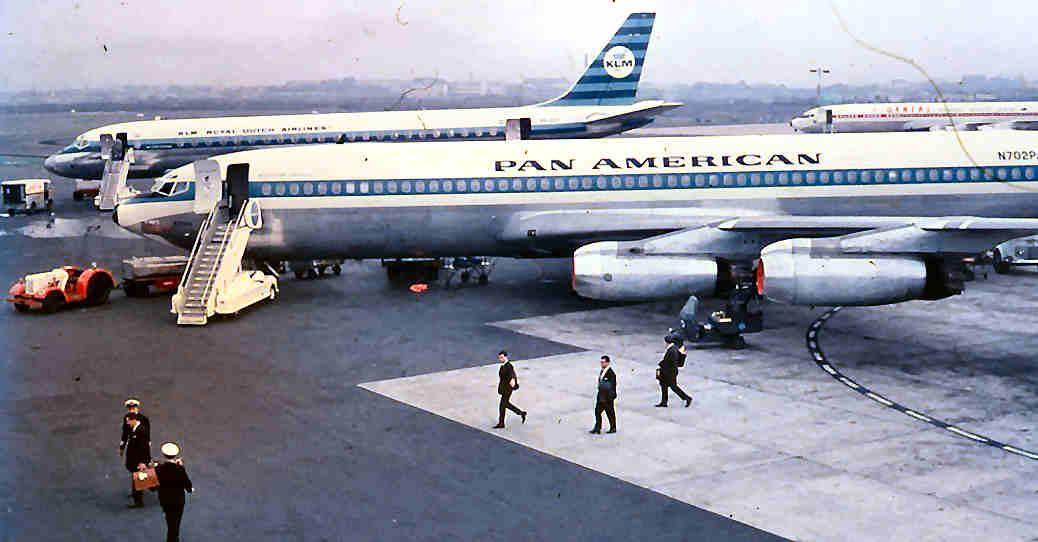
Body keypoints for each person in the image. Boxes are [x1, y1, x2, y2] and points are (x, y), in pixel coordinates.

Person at [155, 442, 193, 542]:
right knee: (176, 522)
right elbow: (188, 485)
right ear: (175, 455)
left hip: (165, 500)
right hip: (178, 501)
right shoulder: (180, 470)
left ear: (164, 455)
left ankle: (173, 536)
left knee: (170, 519)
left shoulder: (159, 468)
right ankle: (173, 538)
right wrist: (182, 467)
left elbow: (154, 483)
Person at [123, 412, 151, 507]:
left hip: (138, 461)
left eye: (128, 421)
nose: (127, 423)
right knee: (137, 478)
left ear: (133, 420)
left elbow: (144, 448)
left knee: (138, 479)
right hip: (134, 460)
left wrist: (143, 462)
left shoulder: (141, 431)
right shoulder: (135, 429)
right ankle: (136, 494)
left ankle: (138, 501)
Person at [656, 336, 692, 408]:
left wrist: (661, 364)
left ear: (667, 342)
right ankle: (664, 402)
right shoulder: (673, 348)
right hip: (668, 371)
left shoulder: (672, 351)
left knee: (674, 387)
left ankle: (687, 398)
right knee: (664, 386)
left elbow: (670, 362)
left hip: (670, 372)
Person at [493, 350, 526, 428]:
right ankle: (521, 413)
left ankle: (501, 423)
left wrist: (513, 380)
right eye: (499, 358)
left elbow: (512, 374)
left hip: (507, 389)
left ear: (505, 357)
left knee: (502, 405)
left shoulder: (509, 366)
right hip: (504, 388)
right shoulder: (504, 365)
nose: (500, 359)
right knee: (505, 404)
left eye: (502, 357)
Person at [590, 355, 617, 434]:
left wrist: (602, 384)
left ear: (608, 363)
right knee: (597, 411)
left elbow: (610, 385)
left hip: (607, 396)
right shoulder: (603, 371)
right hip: (601, 396)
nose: (601, 364)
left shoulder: (611, 373)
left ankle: (613, 427)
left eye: (603, 362)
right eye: (601, 362)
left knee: (610, 412)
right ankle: (597, 427)